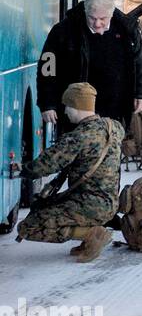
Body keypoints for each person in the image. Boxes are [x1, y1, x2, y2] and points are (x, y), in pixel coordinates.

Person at [15, 83, 123, 263]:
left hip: (88, 204)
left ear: (77, 106)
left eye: (67, 106)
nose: (65, 111)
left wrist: (22, 169)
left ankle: (92, 234)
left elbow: (44, 166)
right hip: (110, 202)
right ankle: (90, 237)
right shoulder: (114, 127)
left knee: (28, 227)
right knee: (48, 206)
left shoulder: (78, 137)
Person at [37, 0, 142, 131]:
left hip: (115, 108)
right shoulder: (63, 31)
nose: (97, 23)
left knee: (110, 149)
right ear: (85, 11)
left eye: (103, 19)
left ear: (111, 14)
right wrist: (47, 103)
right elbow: (47, 69)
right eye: (92, 18)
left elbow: (139, 64)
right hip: (75, 109)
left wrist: (141, 93)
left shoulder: (127, 31)